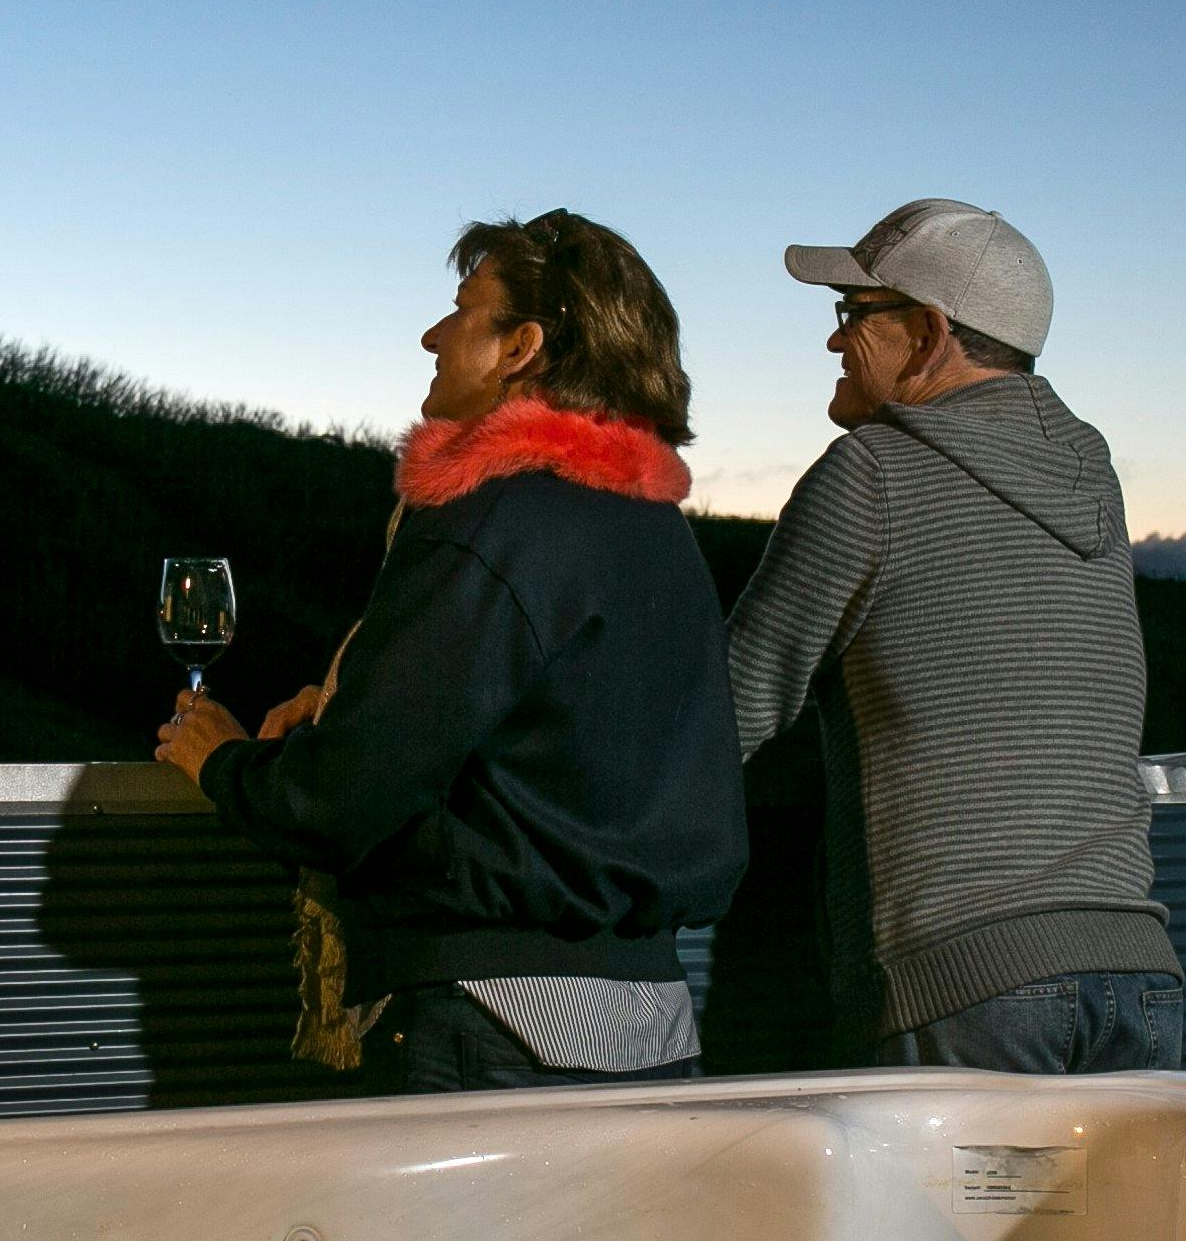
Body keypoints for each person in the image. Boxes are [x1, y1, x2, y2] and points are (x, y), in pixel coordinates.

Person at [156, 212, 746, 1094]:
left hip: (492, 1016)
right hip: (649, 1017)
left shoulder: (494, 521)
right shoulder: (651, 529)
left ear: (522, 348)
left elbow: (344, 798)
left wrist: (225, 764)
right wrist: (355, 693)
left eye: (463, 309)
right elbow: (575, 737)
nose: (433, 334)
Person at [724, 199, 1181, 1073]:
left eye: (851, 317)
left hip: (965, 981)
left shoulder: (870, 473)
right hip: (1137, 976)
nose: (832, 344)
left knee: (926, 1220)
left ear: (928, 334)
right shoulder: (1090, 475)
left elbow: (727, 711)